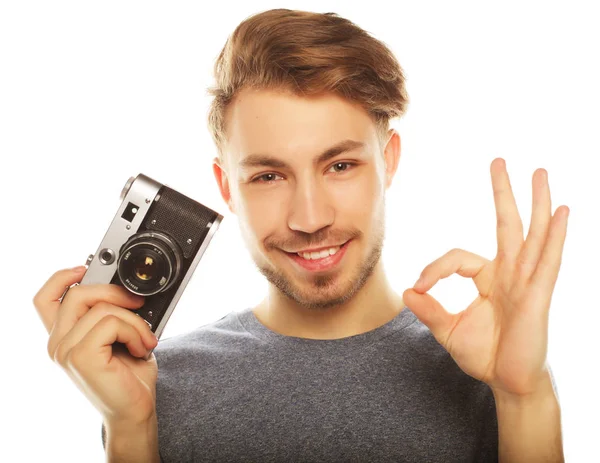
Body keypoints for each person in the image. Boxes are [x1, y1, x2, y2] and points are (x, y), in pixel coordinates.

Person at [34, 8, 567, 462]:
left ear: (389, 161)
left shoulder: (489, 369)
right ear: (227, 187)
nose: (309, 218)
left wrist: (525, 397)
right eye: (268, 176)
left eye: (339, 166)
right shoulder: (151, 388)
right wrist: (130, 429)